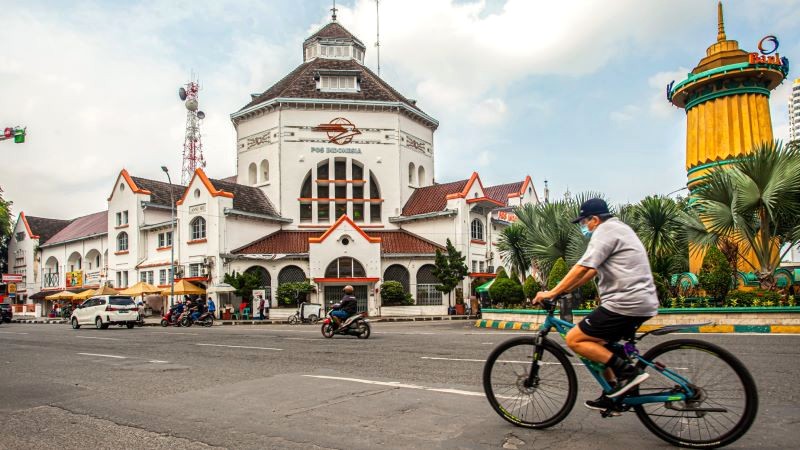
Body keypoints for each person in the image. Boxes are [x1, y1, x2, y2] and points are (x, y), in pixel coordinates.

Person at [533, 198, 659, 412]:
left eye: (584, 222)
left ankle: (627, 373)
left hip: (625, 303)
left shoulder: (605, 231)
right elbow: (591, 271)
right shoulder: (620, 228)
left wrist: (552, 292)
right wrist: (564, 291)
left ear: (594, 219)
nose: (584, 227)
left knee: (575, 338)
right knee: (595, 344)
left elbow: (583, 267)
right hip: (639, 301)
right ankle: (612, 393)